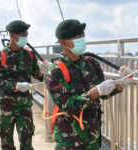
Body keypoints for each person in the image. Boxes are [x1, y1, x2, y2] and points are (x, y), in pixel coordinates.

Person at [44, 19, 132, 150]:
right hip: (69, 139)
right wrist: (96, 91)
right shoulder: (54, 71)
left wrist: (121, 83)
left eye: (83, 37)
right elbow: (68, 106)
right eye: (78, 38)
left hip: (93, 135)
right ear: (63, 42)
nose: (82, 41)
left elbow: (103, 94)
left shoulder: (91, 63)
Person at [0, 20, 50, 150]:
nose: (25, 37)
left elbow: (37, 75)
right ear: (12, 35)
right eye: (22, 34)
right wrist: (15, 85)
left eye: (26, 34)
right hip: (7, 106)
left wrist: (43, 71)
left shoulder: (29, 55)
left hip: (24, 105)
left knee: (27, 141)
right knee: (7, 143)